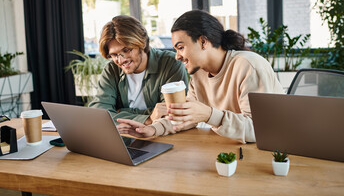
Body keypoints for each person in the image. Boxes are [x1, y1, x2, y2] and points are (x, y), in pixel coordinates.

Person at [117, 10, 284, 143]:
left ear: (203, 42)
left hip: (273, 152)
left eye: (181, 47)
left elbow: (260, 129)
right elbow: (185, 115)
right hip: (227, 149)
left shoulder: (248, 66)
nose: (177, 56)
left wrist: (209, 115)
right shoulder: (199, 74)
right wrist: (153, 129)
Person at [88, 15, 189, 125]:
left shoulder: (170, 63)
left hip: (160, 138)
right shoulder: (112, 69)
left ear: (142, 42)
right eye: (114, 55)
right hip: (124, 138)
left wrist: (121, 112)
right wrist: (148, 118)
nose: (121, 60)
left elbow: (171, 114)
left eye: (126, 50)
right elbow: (98, 112)